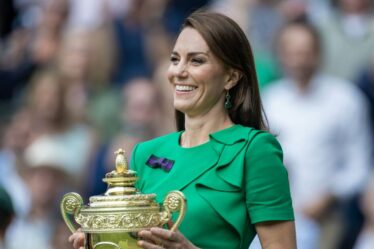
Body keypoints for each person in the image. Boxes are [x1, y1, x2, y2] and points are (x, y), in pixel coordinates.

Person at [69, 11, 296, 249]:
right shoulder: (143, 153)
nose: (179, 71)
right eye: (175, 59)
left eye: (196, 60)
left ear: (231, 77)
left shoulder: (255, 150)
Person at [261, 20, 371, 249]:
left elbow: (360, 164)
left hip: (330, 217)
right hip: (275, 216)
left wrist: (329, 196)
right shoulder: (269, 100)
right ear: (280, 55)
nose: (298, 60)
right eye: (291, 52)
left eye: (305, 52)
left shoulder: (345, 99)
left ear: (318, 53)